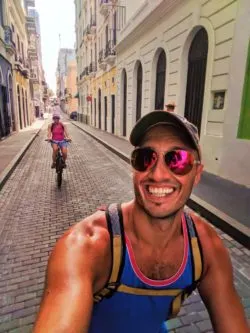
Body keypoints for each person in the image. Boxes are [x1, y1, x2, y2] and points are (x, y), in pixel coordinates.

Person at [34, 111, 249, 333]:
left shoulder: (205, 247)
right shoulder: (85, 246)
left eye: (178, 160)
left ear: (197, 174)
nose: (158, 174)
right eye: (146, 157)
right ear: (134, 167)